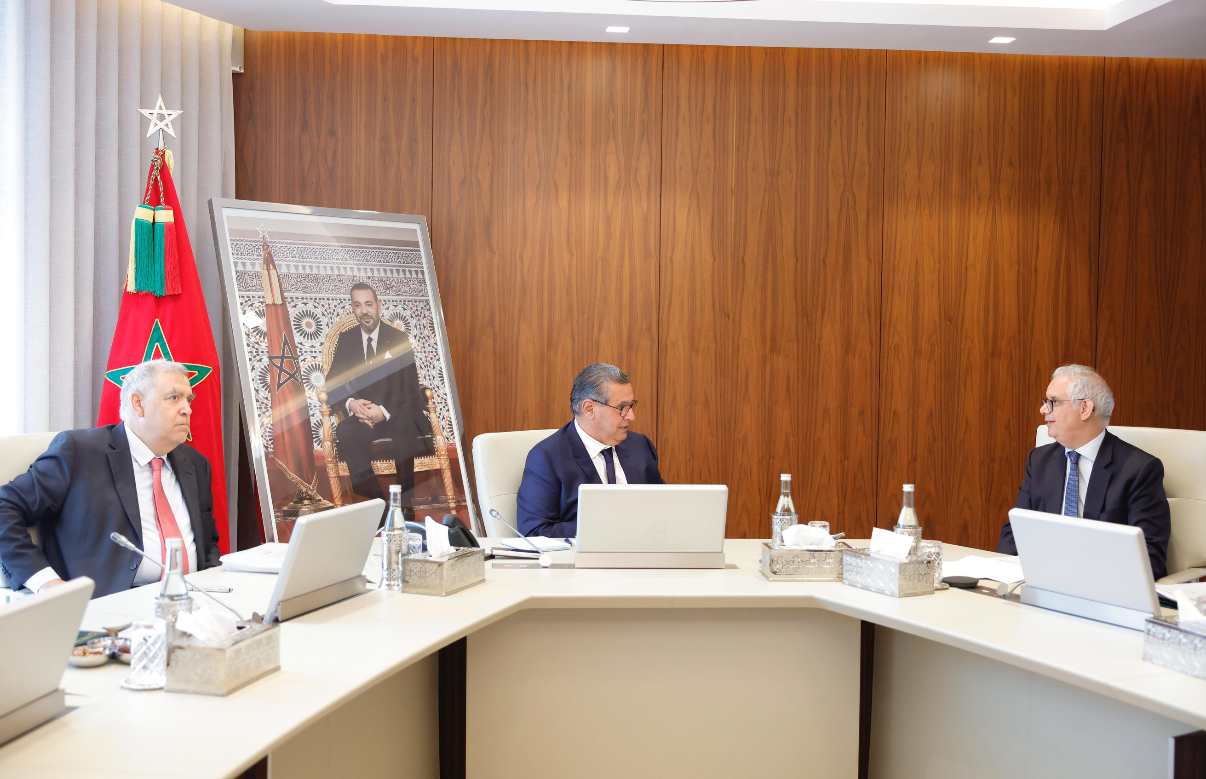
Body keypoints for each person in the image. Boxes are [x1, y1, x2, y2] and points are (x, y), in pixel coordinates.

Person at [0, 360, 220, 598]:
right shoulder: (80, 452)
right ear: (138, 404)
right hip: (109, 605)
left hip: (194, 599)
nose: (187, 409)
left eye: (189, 399)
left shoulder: (195, 463)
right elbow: (4, 508)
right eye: (174, 398)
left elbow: (207, 544)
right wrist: (45, 583)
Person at [998, 364, 1171, 579]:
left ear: (1084, 408)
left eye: (1053, 402)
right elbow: (1015, 532)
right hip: (1042, 581)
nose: (1043, 410)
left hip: (1102, 586)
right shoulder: (1039, 460)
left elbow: (1149, 557)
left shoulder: (1139, 469)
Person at [516, 363, 664, 538]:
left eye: (631, 406)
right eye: (622, 408)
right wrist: (610, 527)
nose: (631, 416)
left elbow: (663, 506)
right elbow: (534, 532)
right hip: (583, 554)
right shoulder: (547, 458)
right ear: (589, 409)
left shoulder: (640, 445)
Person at [324, 283, 432, 517]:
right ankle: (378, 506)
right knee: (345, 431)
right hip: (364, 415)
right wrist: (351, 404)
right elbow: (331, 384)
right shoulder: (347, 340)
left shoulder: (398, 338)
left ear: (378, 306)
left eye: (368, 304)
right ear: (352, 309)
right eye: (357, 305)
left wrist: (384, 411)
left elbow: (410, 388)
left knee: (405, 426)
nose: (364, 310)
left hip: (397, 411)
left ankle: (405, 506)